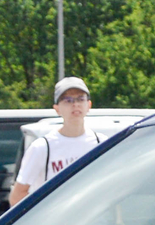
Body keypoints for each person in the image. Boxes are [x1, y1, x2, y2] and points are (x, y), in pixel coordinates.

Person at [10, 78, 99, 206]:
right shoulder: (43, 147)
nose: (75, 104)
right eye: (68, 100)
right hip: (57, 223)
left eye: (80, 99)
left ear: (89, 105)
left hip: (92, 220)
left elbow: (112, 188)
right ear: (57, 109)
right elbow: (17, 196)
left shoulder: (100, 142)